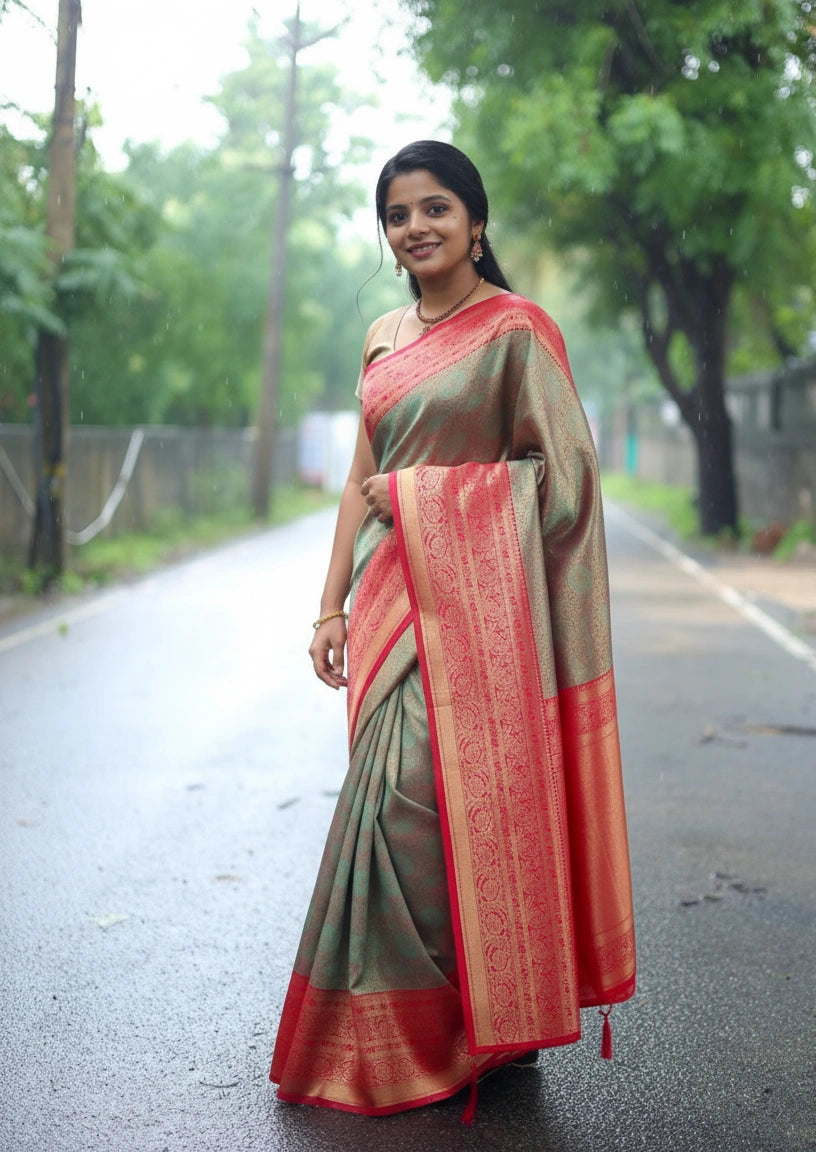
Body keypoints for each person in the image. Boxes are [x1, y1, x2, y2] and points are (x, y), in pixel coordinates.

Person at [270, 140, 636, 1121]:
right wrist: (330, 604)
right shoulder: (382, 336)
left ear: (475, 221)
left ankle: (476, 1028)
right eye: (398, 214)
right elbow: (361, 480)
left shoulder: (517, 331)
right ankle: (412, 1032)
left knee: (429, 812)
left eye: (435, 207)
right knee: (384, 810)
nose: (415, 227)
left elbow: (564, 483)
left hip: (480, 619)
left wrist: (432, 503)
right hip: (390, 603)